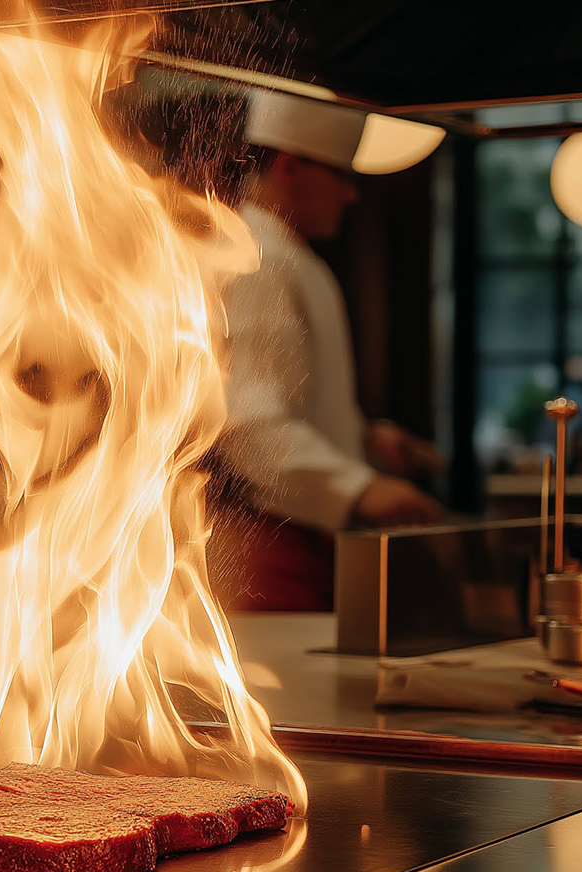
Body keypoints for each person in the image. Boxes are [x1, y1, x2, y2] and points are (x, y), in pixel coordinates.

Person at [210, 90, 443, 611]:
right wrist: (359, 487)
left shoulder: (287, 254)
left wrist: (362, 436)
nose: (351, 195)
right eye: (342, 176)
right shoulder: (258, 258)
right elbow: (247, 423)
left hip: (301, 533)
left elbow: (285, 397)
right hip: (268, 543)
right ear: (291, 167)